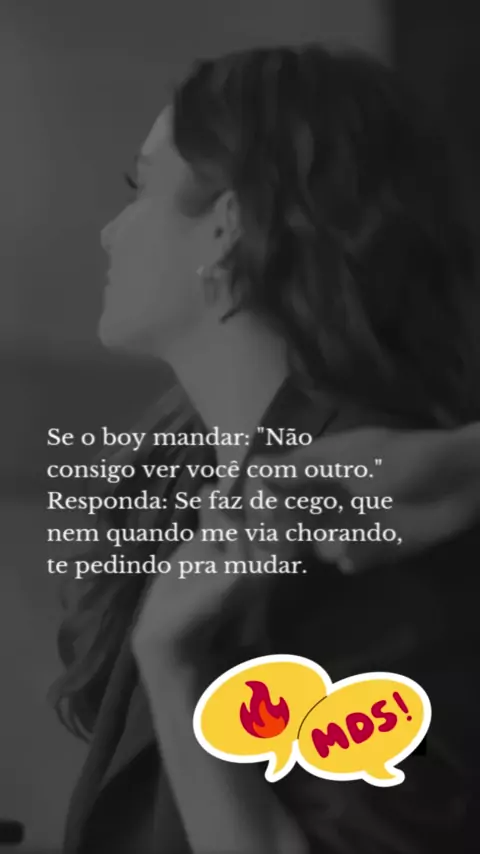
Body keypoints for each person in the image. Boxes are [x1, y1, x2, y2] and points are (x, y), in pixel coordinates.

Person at [51, 45, 480, 853]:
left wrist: (172, 669)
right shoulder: (194, 481)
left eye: (140, 187)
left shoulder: (361, 531)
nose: (110, 231)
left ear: (228, 226)